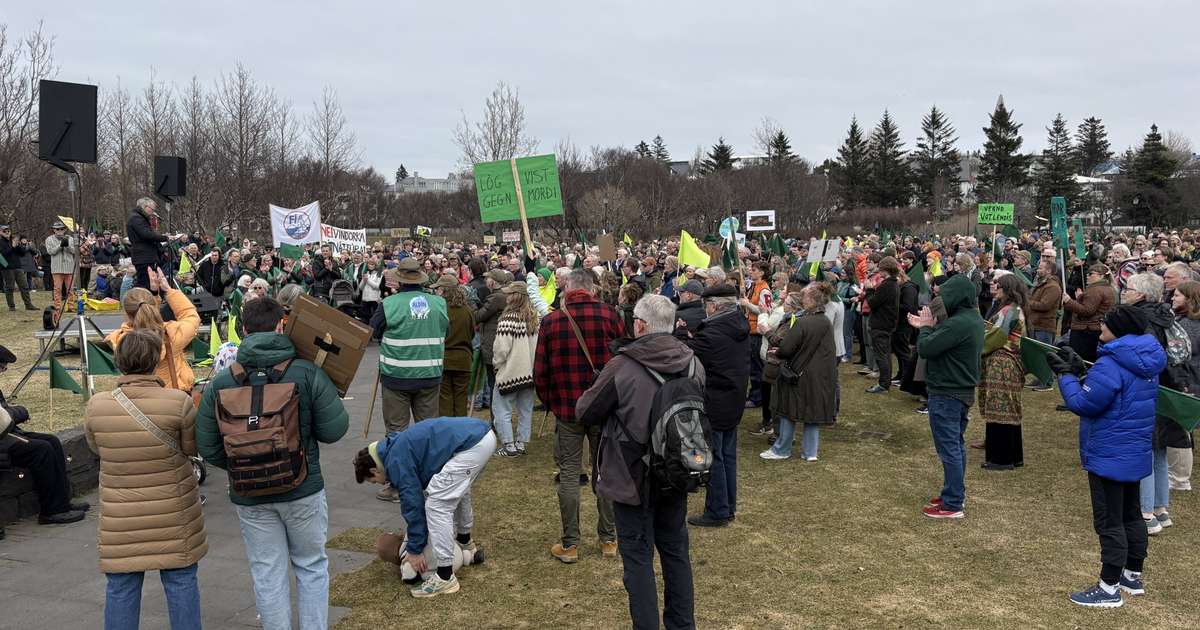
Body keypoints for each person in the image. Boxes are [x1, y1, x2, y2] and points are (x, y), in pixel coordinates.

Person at [195, 297, 349, 630]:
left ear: (244, 330)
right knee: (310, 566)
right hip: (302, 486)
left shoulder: (221, 382)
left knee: (267, 571)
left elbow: (207, 445)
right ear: (282, 324)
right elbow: (335, 430)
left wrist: (242, 459)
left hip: (250, 493)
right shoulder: (307, 372)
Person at [577, 294, 700, 629]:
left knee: (638, 559)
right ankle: (682, 624)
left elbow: (584, 410)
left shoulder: (623, 366)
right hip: (677, 470)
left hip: (632, 474)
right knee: (675, 552)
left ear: (640, 325)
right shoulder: (692, 362)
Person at [84, 329, 206, 630]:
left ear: (119, 361)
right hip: (172, 511)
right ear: (155, 360)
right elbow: (192, 449)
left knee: (121, 586)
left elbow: (96, 448)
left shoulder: (97, 406)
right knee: (181, 581)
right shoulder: (178, 402)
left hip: (121, 515)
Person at [1049, 306, 1164, 608]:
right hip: (1134, 449)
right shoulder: (1144, 361)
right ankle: (1131, 574)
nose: (1101, 325)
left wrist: (1066, 376)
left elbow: (1084, 403)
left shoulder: (1112, 364)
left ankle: (1108, 586)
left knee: (1110, 520)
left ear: (1120, 330)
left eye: (1107, 323)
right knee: (1130, 513)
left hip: (1109, 453)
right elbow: (1114, 395)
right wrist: (1083, 373)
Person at [534, 268, 623, 563]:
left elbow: (540, 373)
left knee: (570, 474)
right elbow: (625, 362)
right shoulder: (611, 316)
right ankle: (608, 539)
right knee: (605, 472)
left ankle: (570, 544)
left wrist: (553, 403)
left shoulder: (551, 321)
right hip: (603, 407)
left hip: (568, 408)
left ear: (568, 289)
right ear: (592, 288)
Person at [354, 417, 495, 598]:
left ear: (374, 470)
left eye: (373, 481)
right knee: (460, 489)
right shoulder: (394, 447)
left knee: (436, 505)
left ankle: (445, 576)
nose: (378, 483)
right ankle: (465, 543)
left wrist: (414, 550)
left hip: (472, 444)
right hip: (482, 435)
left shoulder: (395, 462)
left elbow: (413, 505)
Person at [909, 274, 984, 519]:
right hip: (959, 390)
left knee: (949, 447)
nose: (940, 299)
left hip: (948, 391)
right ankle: (953, 493)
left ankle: (953, 504)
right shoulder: (970, 319)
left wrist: (926, 328)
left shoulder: (960, 323)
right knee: (956, 445)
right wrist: (928, 328)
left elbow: (927, 348)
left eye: (945, 294)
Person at [1121, 273, 1188, 534]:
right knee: (1158, 451)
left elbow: (1143, 357)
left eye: (1128, 288)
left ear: (1140, 294)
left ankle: (1146, 513)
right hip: (1165, 388)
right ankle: (1161, 508)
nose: (1124, 292)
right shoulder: (1163, 313)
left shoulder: (1141, 318)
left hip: (1149, 390)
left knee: (1146, 452)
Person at [369, 259, 450, 472]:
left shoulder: (389, 304)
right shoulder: (439, 303)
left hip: (396, 376)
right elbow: (445, 331)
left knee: (396, 432)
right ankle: (431, 477)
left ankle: (397, 481)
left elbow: (373, 331)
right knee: (428, 430)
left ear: (399, 280)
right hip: (430, 374)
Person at [682, 283, 749, 528]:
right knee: (727, 455)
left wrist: (681, 336)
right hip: (733, 396)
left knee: (715, 457)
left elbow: (690, 355)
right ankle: (727, 505)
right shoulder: (736, 323)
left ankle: (718, 510)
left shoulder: (713, 332)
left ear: (713, 306)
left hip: (717, 399)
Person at [0, 346, 89, 527]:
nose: (4, 371)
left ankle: (63, 502)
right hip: (2, 439)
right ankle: (51, 511)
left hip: (6, 433)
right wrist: (19, 411)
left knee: (52, 441)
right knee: (42, 449)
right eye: (2, 367)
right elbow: (4, 418)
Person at [760, 285, 837, 461]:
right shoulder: (825, 321)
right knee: (813, 414)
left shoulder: (802, 322)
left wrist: (775, 347)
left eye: (805, 297)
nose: (802, 299)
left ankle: (782, 449)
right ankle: (810, 452)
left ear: (811, 300)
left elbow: (786, 349)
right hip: (820, 375)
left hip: (799, 374)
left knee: (788, 410)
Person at [106, 268, 200, 394]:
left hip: (134, 397)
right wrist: (169, 291)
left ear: (126, 313)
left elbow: (144, 314)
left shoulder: (121, 340)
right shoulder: (172, 335)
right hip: (173, 396)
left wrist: (154, 295)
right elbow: (190, 315)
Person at [979, 273, 1028, 471]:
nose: (995, 288)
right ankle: (1014, 456)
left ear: (1008, 290)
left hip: (1002, 363)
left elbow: (997, 336)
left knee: (1001, 408)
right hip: (1007, 362)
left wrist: (978, 346)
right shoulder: (1014, 309)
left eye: (998, 286)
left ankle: (1001, 459)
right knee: (1009, 408)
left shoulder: (1009, 311)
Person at [492, 282, 539, 457]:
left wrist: (497, 364)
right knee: (525, 409)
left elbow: (501, 349)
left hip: (510, 373)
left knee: (501, 409)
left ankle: (508, 445)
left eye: (509, 293)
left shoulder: (508, 319)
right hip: (530, 372)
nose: (506, 296)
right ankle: (521, 442)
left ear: (515, 296)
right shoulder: (536, 318)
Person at [1167, 280, 1200, 492]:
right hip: (1189, 379)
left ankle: (1180, 478)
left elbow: (1180, 355)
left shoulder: (1190, 326)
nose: (1172, 298)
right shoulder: (1181, 320)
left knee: (1180, 429)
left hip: (1190, 380)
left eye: (1177, 295)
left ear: (1190, 299)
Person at [430, 274, 473, 417]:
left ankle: (448, 432)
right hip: (463, 359)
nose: (436, 292)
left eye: (437, 289)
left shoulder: (439, 309)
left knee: (444, 399)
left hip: (444, 359)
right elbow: (472, 333)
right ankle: (460, 432)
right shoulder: (467, 310)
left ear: (443, 290)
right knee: (461, 399)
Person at [1063, 264, 1117, 362]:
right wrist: (1080, 297)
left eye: (1091, 274)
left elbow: (1087, 311)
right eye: (1087, 273)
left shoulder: (1096, 290)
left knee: (1080, 361)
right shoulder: (1106, 288)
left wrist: (1069, 301)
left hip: (1086, 332)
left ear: (1101, 276)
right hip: (1095, 329)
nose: (1087, 276)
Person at [472, 269, 510, 410]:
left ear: (493, 281)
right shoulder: (502, 295)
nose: (486, 281)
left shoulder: (496, 297)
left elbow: (478, 316)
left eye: (487, 279)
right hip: (497, 342)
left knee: (494, 383)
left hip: (493, 344)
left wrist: (472, 302)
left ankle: (496, 420)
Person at [865, 256, 901, 393]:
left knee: (881, 355)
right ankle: (885, 382)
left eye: (881, 268)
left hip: (881, 324)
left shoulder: (886, 285)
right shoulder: (894, 284)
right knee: (885, 354)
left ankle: (883, 384)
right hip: (887, 324)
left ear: (886, 269)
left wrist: (869, 290)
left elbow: (873, 303)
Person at [1027, 257, 1063, 391]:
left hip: (1045, 325)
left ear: (1048, 271)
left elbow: (1045, 305)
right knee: (1038, 355)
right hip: (1037, 323)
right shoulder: (1043, 284)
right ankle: (1040, 378)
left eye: (1041, 268)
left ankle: (1047, 382)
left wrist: (1028, 302)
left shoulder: (1053, 287)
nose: (1038, 270)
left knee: (1045, 354)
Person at [126, 197, 168, 290]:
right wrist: (165, 238)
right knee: (145, 284)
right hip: (143, 257)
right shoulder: (136, 218)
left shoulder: (139, 218)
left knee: (148, 283)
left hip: (146, 256)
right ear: (145, 207)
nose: (153, 212)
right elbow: (146, 234)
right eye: (152, 209)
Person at [44, 220, 78, 324]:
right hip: (57, 267)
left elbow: (74, 251)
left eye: (61, 229)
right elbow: (51, 252)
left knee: (70, 288)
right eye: (57, 229)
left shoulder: (71, 238)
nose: (59, 231)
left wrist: (67, 245)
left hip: (68, 266)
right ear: (54, 230)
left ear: (65, 229)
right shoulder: (49, 239)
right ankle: (57, 307)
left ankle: (71, 306)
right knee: (57, 288)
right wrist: (60, 245)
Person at [0, 224, 36, 310]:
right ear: (0, 232)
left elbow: (23, 253)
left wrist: (18, 245)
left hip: (18, 267)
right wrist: (12, 247)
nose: (7, 232)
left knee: (24, 286)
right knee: (9, 287)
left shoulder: (13, 240)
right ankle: (11, 307)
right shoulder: (0, 242)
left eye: (8, 230)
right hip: (7, 268)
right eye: (4, 231)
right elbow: (3, 255)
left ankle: (28, 305)